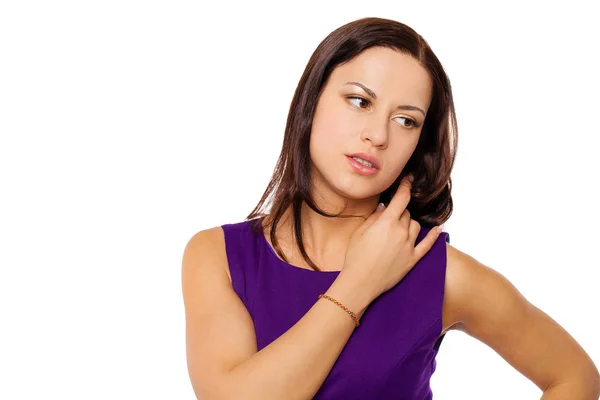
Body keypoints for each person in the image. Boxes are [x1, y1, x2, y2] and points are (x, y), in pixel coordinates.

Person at [181, 17, 600, 399]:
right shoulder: (217, 255)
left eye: (406, 121)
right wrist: (358, 285)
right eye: (360, 101)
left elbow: (574, 377)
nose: (378, 135)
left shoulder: (442, 272)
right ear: (311, 100)